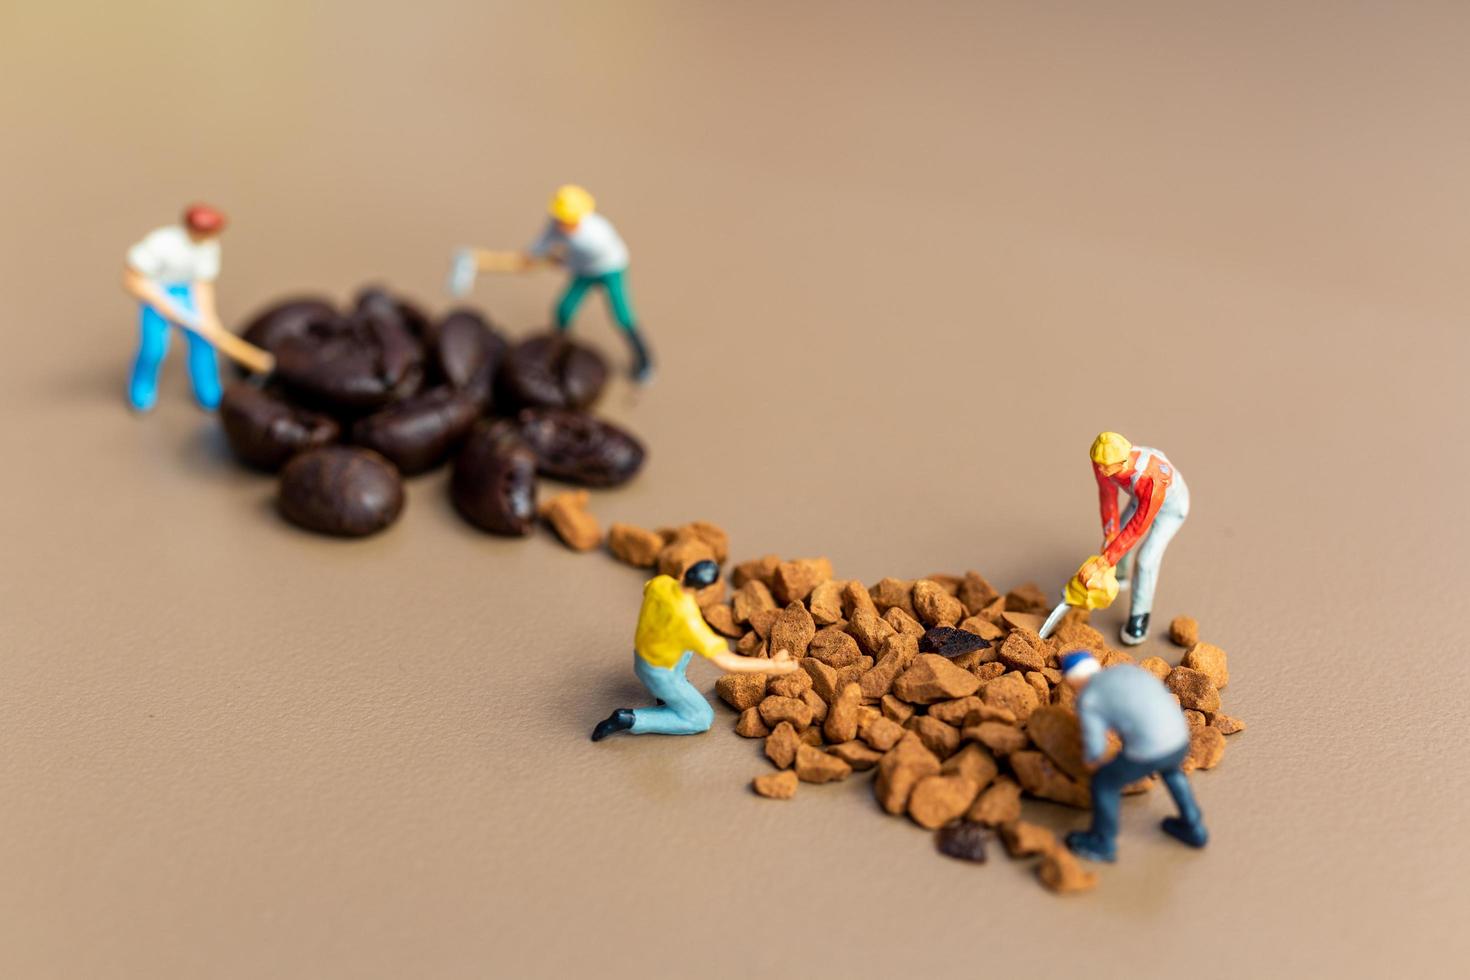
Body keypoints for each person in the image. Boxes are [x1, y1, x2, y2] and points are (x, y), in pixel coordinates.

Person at [455, 185, 654, 383]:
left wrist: (560, 263)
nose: (560, 223)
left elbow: (578, 260)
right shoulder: (556, 223)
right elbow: (546, 239)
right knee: (564, 310)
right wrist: (532, 254)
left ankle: (645, 362)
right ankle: (561, 348)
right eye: (559, 218)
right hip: (582, 268)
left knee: (621, 315)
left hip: (609, 269)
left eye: (566, 220)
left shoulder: (594, 237)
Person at [592, 560, 797, 740]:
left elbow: (647, 589)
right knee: (701, 718)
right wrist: (772, 666)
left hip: (644, 653)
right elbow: (727, 661)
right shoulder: (689, 621)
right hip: (658, 672)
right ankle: (630, 719)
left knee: (686, 649)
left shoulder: (661, 582)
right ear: (704, 589)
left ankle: (667, 696)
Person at [1059, 650, 1208, 862]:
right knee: (1172, 772)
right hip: (1179, 737)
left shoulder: (1089, 697)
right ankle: (1193, 827)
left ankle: (1103, 842)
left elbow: (1095, 743)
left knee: (1104, 783)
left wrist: (1092, 762)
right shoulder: (1124, 670)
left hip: (1149, 750)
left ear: (1073, 678)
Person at [1075, 431, 1190, 646]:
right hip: (1140, 500)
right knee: (1116, 539)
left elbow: (1138, 526)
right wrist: (1109, 535)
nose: (1100, 470)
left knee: (1146, 560)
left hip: (1170, 510)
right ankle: (1119, 574)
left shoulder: (1151, 478)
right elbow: (1107, 496)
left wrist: (1104, 561)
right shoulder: (1103, 461)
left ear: (1123, 461)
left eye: (1105, 466)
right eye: (1097, 464)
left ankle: (1139, 617)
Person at [121, 204, 230, 411]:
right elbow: (132, 279)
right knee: (154, 348)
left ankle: (208, 390)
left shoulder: (209, 246)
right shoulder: (162, 242)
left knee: (204, 341)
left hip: (186, 294)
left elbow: (202, 284)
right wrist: (161, 301)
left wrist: (208, 317)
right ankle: (141, 388)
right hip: (156, 292)